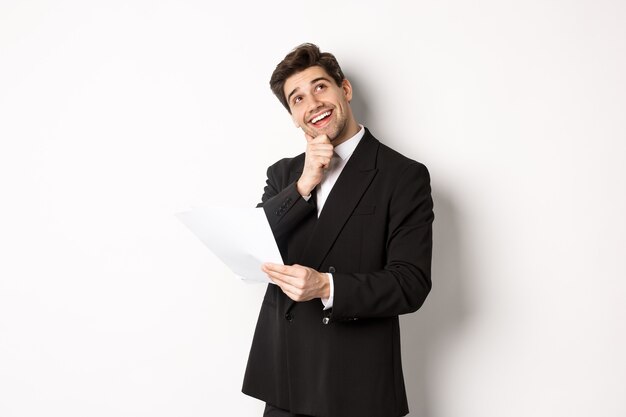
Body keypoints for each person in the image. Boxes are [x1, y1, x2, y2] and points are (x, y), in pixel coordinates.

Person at [242, 43, 434, 417]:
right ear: (294, 117)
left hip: (357, 386)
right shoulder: (284, 175)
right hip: (285, 384)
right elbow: (253, 247)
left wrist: (326, 286)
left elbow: (411, 283)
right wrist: (303, 185)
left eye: (319, 87)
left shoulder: (402, 175)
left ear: (344, 90)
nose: (312, 102)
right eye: (297, 98)